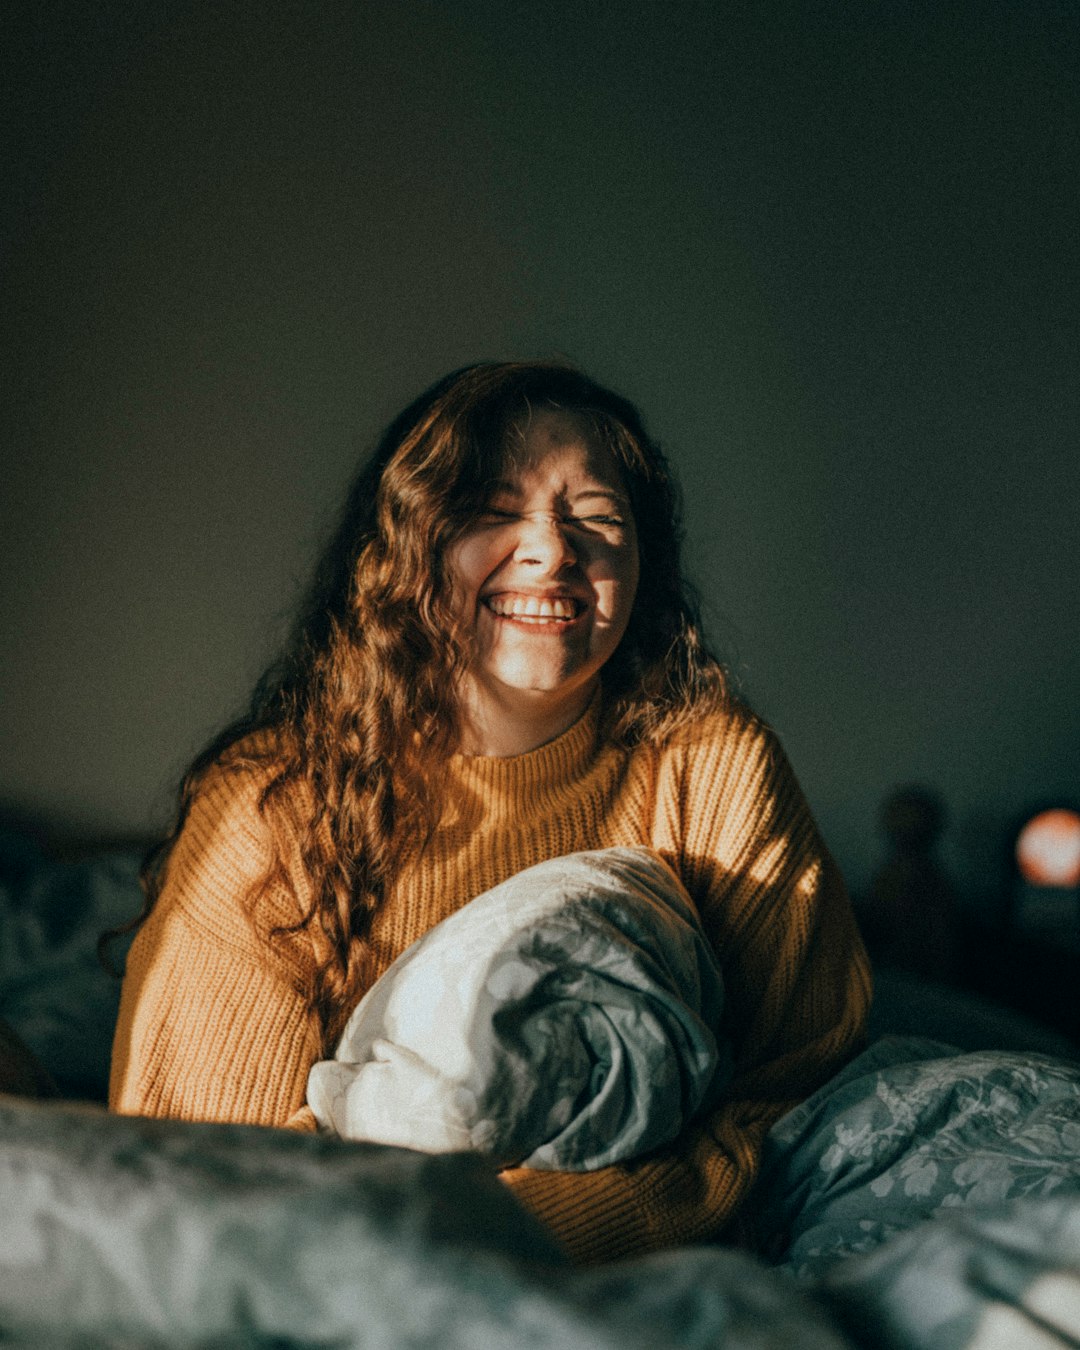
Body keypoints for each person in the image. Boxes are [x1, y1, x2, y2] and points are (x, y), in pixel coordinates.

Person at [108, 360, 871, 1264]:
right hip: (362, 1273)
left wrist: (563, 1228)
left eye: (595, 516)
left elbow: (801, 1083)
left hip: (652, 1265)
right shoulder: (273, 807)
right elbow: (216, 1175)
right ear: (404, 550)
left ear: (641, 562)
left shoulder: (714, 765)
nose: (552, 550)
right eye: (495, 510)